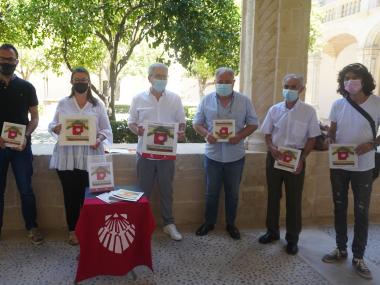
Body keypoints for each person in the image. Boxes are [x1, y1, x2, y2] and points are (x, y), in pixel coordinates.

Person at [322, 63, 380, 280]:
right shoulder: (338, 104)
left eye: (354, 78)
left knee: (361, 211)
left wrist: (372, 144)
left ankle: (359, 256)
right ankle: (340, 248)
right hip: (339, 164)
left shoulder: (377, 103)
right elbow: (333, 132)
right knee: (339, 206)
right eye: (346, 78)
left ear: (364, 80)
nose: (350, 82)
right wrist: (329, 137)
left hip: (364, 166)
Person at [49, 67, 113, 245]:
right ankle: (73, 231)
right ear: (71, 82)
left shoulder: (97, 105)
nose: (80, 82)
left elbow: (106, 130)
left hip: (90, 157)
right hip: (67, 158)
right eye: (77, 79)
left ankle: (90, 230)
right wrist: (55, 128)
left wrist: (99, 138)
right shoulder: (63, 103)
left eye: (84, 79)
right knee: (70, 196)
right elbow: (53, 125)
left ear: (89, 82)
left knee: (89, 197)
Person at [193, 67, 258, 240]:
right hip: (212, 155)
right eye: (220, 82)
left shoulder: (244, 101)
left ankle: (231, 224)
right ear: (215, 82)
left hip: (235, 156)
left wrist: (239, 136)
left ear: (233, 82)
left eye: (227, 82)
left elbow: (253, 123)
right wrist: (207, 134)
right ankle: (209, 222)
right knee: (211, 192)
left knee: (233, 194)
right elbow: (196, 123)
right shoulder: (206, 100)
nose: (223, 85)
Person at [259, 73, 320, 254]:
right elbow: (267, 134)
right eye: (287, 86)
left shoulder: (308, 111)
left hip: (296, 158)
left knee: (293, 200)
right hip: (275, 157)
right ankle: (272, 232)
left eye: (293, 87)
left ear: (301, 89)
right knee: (273, 197)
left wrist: (302, 159)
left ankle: (292, 239)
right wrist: (271, 147)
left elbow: (312, 138)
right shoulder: (274, 110)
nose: (289, 90)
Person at [128, 63, 186, 241]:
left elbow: (181, 123)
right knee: (143, 190)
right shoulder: (138, 98)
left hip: (166, 156)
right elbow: (131, 122)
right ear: (149, 78)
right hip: (144, 155)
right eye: (158, 76)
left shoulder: (175, 99)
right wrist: (136, 130)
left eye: (164, 77)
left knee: (166, 191)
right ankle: (141, 224)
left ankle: (169, 224)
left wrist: (181, 133)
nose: (161, 80)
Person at [0, 44, 43, 244]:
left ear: (17, 61)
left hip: (21, 148)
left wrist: (26, 135)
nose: (6, 62)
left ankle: (32, 227)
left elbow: (34, 118)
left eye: (10, 59)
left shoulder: (27, 87)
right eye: (2, 58)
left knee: (26, 189)